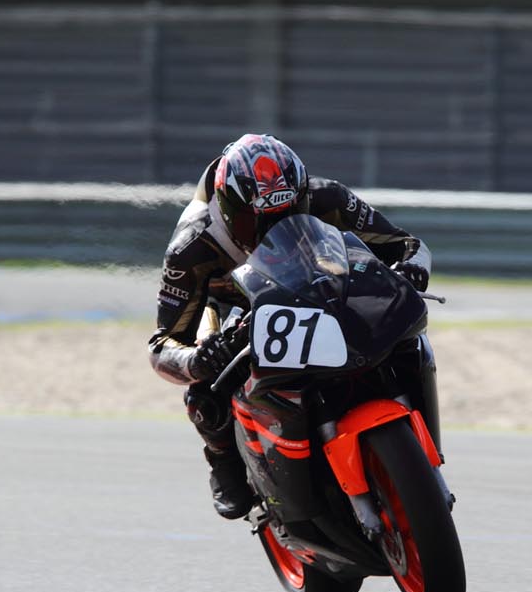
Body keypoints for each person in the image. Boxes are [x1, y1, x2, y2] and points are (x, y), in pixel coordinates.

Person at [148, 133, 431, 519]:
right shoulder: (192, 246)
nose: (273, 226)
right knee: (206, 390)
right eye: (258, 220)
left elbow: (406, 245)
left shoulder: (326, 197)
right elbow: (162, 344)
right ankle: (224, 465)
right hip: (233, 305)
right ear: (230, 211)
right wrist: (198, 359)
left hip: (312, 278)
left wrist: (412, 268)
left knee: (403, 330)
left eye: (289, 211)